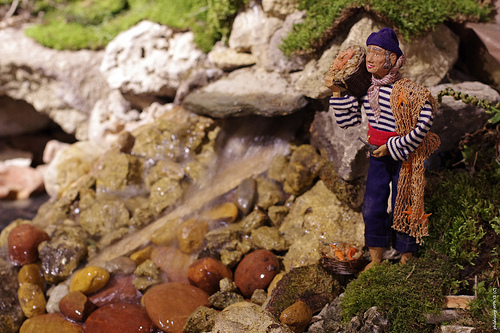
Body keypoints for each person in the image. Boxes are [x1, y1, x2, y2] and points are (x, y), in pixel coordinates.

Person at [328, 28, 437, 270]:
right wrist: (336, 91)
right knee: (372, 203)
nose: (370, 58)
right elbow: (348, 120)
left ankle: (407, 253)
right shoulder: (367, 89)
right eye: (369, 52)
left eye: (377, 52)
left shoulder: (409, 89)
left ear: (393, 59)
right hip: (376, 153)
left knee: (405, 202)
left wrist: (394, 146)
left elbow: (427, 116)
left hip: (404, 154)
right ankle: (376, 256)